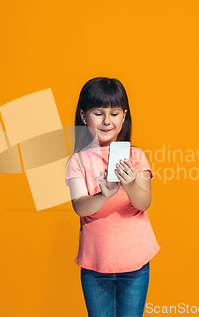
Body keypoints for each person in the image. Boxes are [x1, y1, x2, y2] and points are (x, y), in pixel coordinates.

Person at [65, 77, 161, 317]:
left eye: (115, 113)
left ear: (124, 116)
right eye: (98, 113)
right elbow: (80, 207)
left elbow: (144, 202)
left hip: (135, 262)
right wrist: (103, 194)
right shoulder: (78, 160)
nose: (107, 121)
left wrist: (129, 185)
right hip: (95, 264)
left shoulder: (135, 156)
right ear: (84, 116)